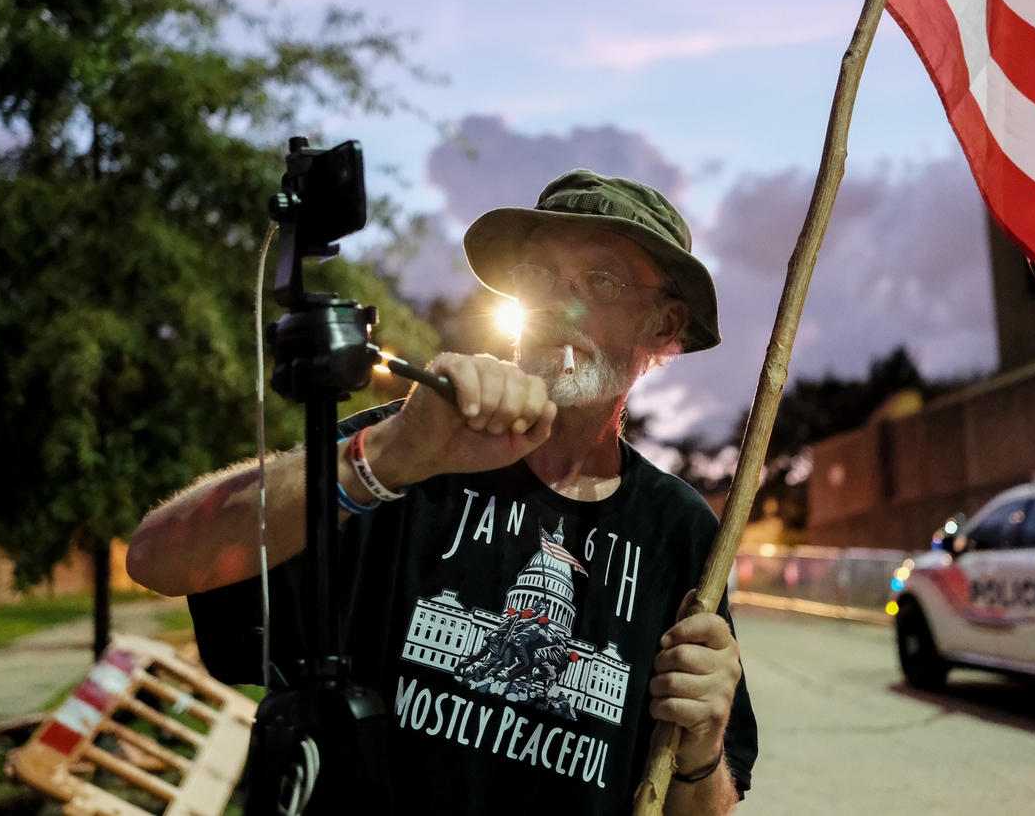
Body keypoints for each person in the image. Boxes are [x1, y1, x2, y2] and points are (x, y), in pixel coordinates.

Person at [127, 169, 757, 815]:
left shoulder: (677, 530)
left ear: (662, 325)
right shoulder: (415, 449)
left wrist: (702, 743)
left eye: (600, 281)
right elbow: (158, 556)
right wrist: (394, 454)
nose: (556, 305)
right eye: (538, 275)